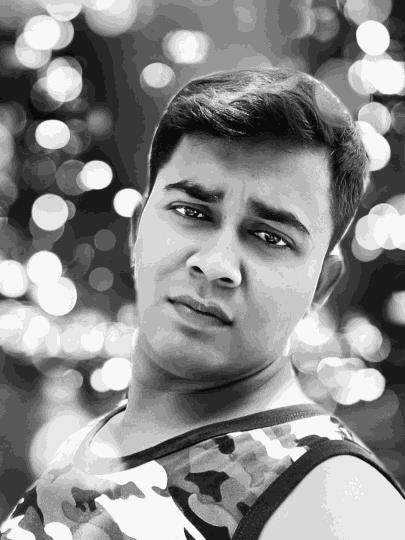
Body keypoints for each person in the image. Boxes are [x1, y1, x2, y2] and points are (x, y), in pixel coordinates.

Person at [1, 66, 405, 540]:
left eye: (270, 237)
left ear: (321, 286)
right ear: (138, 229)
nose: (215, 264)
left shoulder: (337, 504)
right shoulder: (95, 441)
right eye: (191, 212)